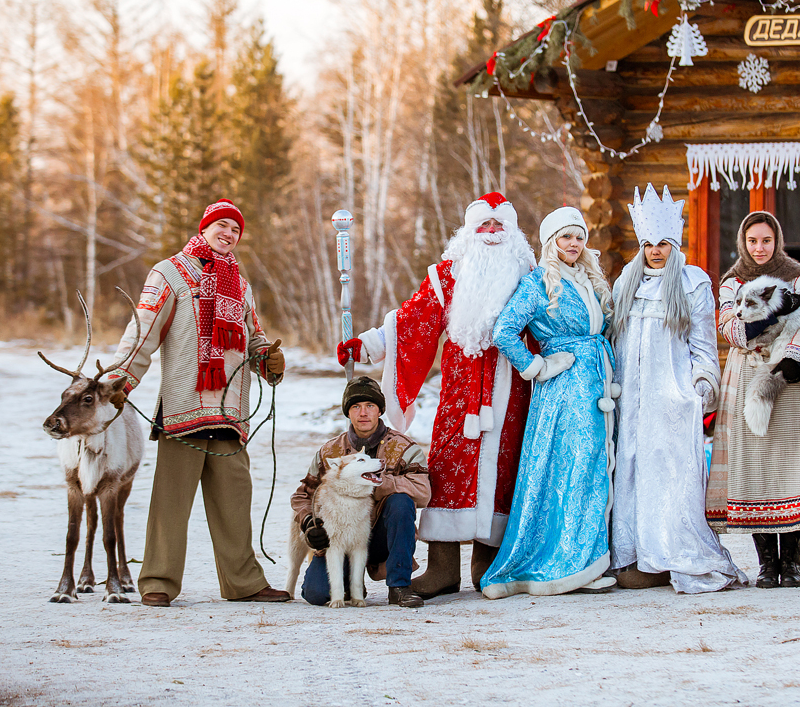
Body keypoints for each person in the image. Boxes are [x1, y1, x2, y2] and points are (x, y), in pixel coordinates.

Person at [343, 193, 535, 598]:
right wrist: (371, 344)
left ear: (513, 232)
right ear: (469, 231)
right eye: (483, 225)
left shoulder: (530, 276)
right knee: (447, 470)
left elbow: (550, 327)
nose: (492, 233)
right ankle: (443, 568)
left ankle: (489, 567)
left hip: (510, 393)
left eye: (499, 226)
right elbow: (413, 320)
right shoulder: (448, 275)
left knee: (505, 473)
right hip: (459, 395)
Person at [107, 198, 288, 607]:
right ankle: (158, 581)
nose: (228, 234)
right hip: (184, 406)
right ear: (205, 228)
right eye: (221, 225)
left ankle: (243, 583)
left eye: (235, 229)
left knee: (235, 501)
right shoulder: (169, 273)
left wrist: (268, 360)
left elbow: (253, 337)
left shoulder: (240, 285)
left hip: (230, 411)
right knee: (171, 502)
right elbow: (142, 332)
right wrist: (118, 382)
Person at [608, 185, 747, 593]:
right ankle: (634, 555)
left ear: (675, 243)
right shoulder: (624, 283)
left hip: (669, 401)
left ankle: (668, 554)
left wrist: (698, 390)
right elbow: (615, 341)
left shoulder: (692, 283)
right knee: (629, 474)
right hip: (629, 402)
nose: (655, 251)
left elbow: (704, 348)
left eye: (663, 244)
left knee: (666, 478)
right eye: (648, 243)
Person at [480, 206, 618, 598]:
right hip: (564, 389)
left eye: (578, 237)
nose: (573, 244)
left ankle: (587, 557)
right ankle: (568, 563)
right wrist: (537, 366)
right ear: (551, 241)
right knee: (572, 469)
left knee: (593, 468)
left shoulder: (591, 279)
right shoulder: (539, 282)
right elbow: (504, 330)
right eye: (565, 237)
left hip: (596, 384)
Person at [705, 211, 800, 588]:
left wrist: (797, 357)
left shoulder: (799, 275)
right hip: (748, 376)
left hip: (789, 379)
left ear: (777, 240)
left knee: (790, 464)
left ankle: (792, 563)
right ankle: (766, 563)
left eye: (766, 240)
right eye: (752, 241)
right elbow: (730, 326)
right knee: (755, 466)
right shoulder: (734, 281)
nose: (759, 248)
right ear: (743, 243)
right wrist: (771, 315)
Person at [291, 376, 430, 608]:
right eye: (356, 406)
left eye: (370, 406)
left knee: (401, 502)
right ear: (348, 412)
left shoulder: (405, 447)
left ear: (380, 411)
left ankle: (399, 586)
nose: (363, 413)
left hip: (384, 536)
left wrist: (379, 483)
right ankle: (350, 583)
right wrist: (308, 521)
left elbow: (423, 491)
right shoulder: (330, 452)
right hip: (339, 536)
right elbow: (302, 495)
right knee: (316, 594)